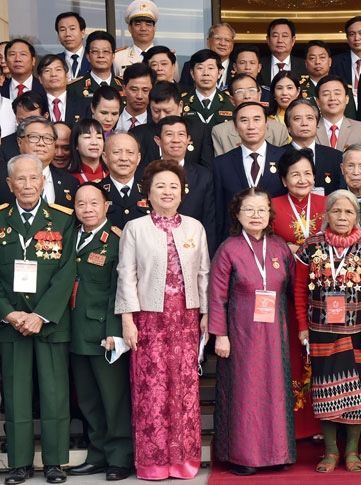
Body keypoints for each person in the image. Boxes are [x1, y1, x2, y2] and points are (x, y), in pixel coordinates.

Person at [115, 160, 210, 480]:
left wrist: (206, 315)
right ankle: (153, 463)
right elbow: (126, 276)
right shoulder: (135, 228)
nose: (167, 192)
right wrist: (128, 320)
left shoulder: (195, 227)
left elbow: (204, 275)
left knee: (184, 393)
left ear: (182, 191)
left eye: (173, 186)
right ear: (148, 193)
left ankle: (184, 460)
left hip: (185, 321)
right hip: (149, 321)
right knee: (150, 394)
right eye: (160, 186)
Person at [0, 154, 76, 485]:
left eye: (34, 178)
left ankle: (55, 462)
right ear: (9, 184)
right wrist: (10, 312)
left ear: (43, 181)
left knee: (54, 393)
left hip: (50, 323)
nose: (28, 185)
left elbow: (67, 271)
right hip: (11, 323)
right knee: (16, 395)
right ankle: (19, 462)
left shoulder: (62, 220)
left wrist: (41, 315)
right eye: (21, 179)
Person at [209, 187, 296, 475]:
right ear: (237, 214)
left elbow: (295, 289)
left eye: (262, 210)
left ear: (270, 215)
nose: (256, 215)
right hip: (240, 331)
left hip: (275, 331)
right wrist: (220, 334)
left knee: (275, 388)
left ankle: (277, 453)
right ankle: (244, 456)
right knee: (245, 390)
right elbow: (217, 296)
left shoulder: (280, 247)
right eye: (249, 209)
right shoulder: (228, 249)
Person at [294, 190, 361, 473]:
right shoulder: (310, 246)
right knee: (324, 391)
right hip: (320, 331)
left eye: (348, 212)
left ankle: (353, 451)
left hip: (356, 332)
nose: (342, 216)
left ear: (356, 216)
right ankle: (331, 451)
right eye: (336, 211)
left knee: (355, 392)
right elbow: (298, 290)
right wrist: (302, 327)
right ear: (326, 215)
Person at [68, 182, 133, 481]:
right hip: (74, 330)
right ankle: (97, 455)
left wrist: (114, 330)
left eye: (94, 203)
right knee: (89, 399)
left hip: (104, 332)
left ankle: (120, 457)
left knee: (113, 399)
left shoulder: (117, 240)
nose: (87, 209)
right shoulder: (70, 237)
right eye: (81, 204)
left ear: (106, 206)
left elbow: (118, 290)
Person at [270, 148, 325, 441]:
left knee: (320, 357)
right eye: (295, 174)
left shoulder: (328, 203)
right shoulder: (271, 205)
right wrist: (284, 247)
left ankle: (320, 425)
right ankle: (291, 423)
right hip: (286, 295)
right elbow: (262, 245)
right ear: (283, 179)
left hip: (324, 296)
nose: (302, 179)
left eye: (307, 173)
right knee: (290, 354)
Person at [214, 101, 287, 241]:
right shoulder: (222, 163)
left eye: (257, 119)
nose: (251, 126)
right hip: (236, 242)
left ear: (266, 124)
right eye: (244, 120)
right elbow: (219, 211)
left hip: (276, 240)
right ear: (235, 127)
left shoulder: (284, 158)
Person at [154, 116, 216, 251]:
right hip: (153, 249)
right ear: (158, 140)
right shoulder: (146, 173)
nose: (176, 140)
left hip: (192, 248)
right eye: (169, 134)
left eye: (181, 134)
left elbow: (209, 222)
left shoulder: (204, 176)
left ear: (188, 139)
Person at [130, 81, 214, 171]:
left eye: (168, 111)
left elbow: (207, 171)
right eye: (156, 111)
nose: (162, 117)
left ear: (180, 106)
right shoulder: (137, 135)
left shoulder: (199, 130)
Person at [8, 116, 80, 208]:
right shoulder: (2, 177)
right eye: (34, 137)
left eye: (48, 138)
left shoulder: (70, 182)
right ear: (19, 142)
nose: (41, 143)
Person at [212, 74, 289, 156]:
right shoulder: (220, 132)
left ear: (259, 95)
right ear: (232, 100)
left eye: (251, 90)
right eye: (240, 92)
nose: (247, 96)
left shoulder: (278, 130)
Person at [281, 98, 342, 194]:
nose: (304, 123)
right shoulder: (278, 156)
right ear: (288, 127)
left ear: (317, 124)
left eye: (310, 118)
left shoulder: (336, 157)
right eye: (297, 119)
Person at [99, 133, 148, 228]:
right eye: (117, 152)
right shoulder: (95, 191)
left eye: (130, 152)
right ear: (105, 157)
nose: (124, 158)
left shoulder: (150, 191)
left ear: (138, 158)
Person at [181, 50, 235, 129]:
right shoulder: (182, 102)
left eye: (210, 68)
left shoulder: (230, 103)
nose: (206, 73)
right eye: (200, 68)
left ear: (219, 73)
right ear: (192, 73)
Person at [314, 75, 361, 150]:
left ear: (347, 99)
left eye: (337, 93)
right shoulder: (311, 128)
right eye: (326, 94)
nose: (332, 98)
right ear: (318, 101)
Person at [67, 31, 124, 100]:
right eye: (95, 51)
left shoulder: (125, 85)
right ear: (88, 56)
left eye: (105, 51)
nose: (100, 55)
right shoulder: (74, 88)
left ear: (113, 56)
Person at [179, 24, 236, 90]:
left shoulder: (237, 68)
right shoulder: (190, 66)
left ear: (232, 45)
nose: (222, 43)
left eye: (227, 40)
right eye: (218, 38)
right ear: (208, 42)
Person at [38, 54, 90, 127]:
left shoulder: (84, 104)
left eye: (58, 70)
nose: (53, 74)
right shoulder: (35, 105)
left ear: (67, 76)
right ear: (40, 79)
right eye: (47, 71)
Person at [257, 18, 307, 87]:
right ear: (268, 40)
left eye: (284, 36)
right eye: (275, 36)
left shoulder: (305, 66)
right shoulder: (258, 65)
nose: (280, 40)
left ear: (293, 40)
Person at [113, 0, 158, 76]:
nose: (143, 28)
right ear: (130, 28)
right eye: (137, 24)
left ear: (154, 28)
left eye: (148, 24)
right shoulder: (118, 57)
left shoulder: (167, 56)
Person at [116, 63, 154, 133]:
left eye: (145, 90)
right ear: (124, 89)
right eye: (134, 89)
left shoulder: (155, 123)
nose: (139, 96)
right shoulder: (113, 119)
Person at [55, 12, 90, 80]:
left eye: (72, 29)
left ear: (82, 33)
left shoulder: (95, 58)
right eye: (62, 30)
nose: (67, 34)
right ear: (58, 36)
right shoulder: (54, 61)